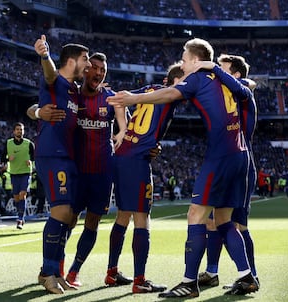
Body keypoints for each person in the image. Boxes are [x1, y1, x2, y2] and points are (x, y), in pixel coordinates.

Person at [107, 38, 258, 298]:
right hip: (241, 154)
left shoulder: (198, 77)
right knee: (224, 221)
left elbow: (169, 93)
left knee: (195, 215)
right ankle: (247, 276)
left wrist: (134, 98)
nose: (183, 63)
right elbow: (247, 88)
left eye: (185, 59)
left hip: (220, 155)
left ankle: (189, 282)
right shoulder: (225, 80)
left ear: (196, 61)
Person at [27, 52, 128, 286]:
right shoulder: (71, 93)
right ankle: (56, 270)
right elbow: (36, 104)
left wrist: (125, 132)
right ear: (85, 70)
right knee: (67, 220)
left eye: (103, 70)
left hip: (102, 172)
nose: (99, 73)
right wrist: (38, 112)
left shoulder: (110, 98)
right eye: (94, 67)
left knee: (92, 222)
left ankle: (74, 271)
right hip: (76, 170)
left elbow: (126, 125)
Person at [104, 63, 185, 294]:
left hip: (123, 156)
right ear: (175, 81)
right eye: (186, 79)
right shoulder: (170, 95)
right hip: (136, 159)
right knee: (142, 217)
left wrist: (124, 130)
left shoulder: (150, 89)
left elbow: (121, 98)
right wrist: (126, 131)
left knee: (123, 215)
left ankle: (112, 272)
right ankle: (139, 280)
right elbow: (120, 100)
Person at [195, 54, 259, 290]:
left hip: (240, 164)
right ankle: (212, 272)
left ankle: (252, 276)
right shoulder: (227, 94)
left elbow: (250, 84)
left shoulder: (241, 90)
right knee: (213, 221)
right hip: (227, 161)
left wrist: (213, 68)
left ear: (235, 74)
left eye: (221, 69)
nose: (216, 73)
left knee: (239, 225)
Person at [33, 35, 92, 294]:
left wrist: (34, 111)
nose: (88, 64)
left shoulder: (74, 92)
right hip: (51, 154)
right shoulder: (56, 80)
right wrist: (45, 56)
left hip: (67, 157)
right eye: (85, 59)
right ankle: (48, 272)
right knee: (60, 212)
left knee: (68, 216)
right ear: (70, 61)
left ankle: (54, 270)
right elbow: (48, 75)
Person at [0, 122, 34, 229]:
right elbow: (2, 158)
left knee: (22, 194)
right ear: (14, 131)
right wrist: (7, 159)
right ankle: (21, 216)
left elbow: (35, 156)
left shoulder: (29, 143)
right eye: (18, 129)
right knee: (16, 197)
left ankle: (20, 218)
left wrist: (30, 160)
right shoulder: (8, 143)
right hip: (14, 173)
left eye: (21, 129)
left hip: (25, 172)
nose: (20, 131)